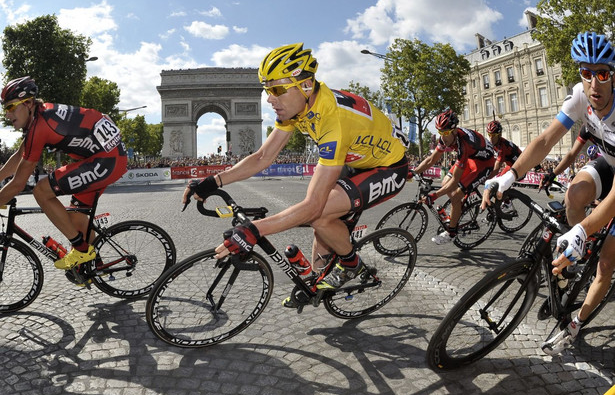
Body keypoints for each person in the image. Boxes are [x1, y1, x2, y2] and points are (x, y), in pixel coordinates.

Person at [183, 43, 409, 297]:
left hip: (388, 167)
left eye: (277, 89)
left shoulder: (333, 120)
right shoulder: (297, 106)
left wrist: (255, 230)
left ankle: (350, 264)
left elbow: (312, 206)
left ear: (305, 85)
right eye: (267, 89)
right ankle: (320, 277)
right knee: (321, 232)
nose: (269, 98)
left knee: (320, 215)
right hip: (355, 159)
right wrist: (212, 182)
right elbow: (262, 157)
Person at [482, 31, 615, 355]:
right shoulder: (579, 97)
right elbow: (545, 140)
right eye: (587, 73)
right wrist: (510, 175)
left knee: (606, 266)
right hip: (609, 162)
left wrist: (585, 229)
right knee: (573, 195)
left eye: (603, 73)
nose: (594, 84)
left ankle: (575, 325)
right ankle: (572, 260)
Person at [0, 76, 128, 274]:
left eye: (10, 108)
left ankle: (81, 250)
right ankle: (94, 266)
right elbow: (19, 156)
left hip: (107, 159)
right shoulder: (40, 115)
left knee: (41, 191)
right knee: (76, 218)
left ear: (28, 103)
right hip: (103, 157)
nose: (7, 115)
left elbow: (18, 184)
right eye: (5, 109)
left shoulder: (41, 126)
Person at [411, 109, 495, 244]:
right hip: (471, 159)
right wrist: (414, 171)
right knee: (445, 182)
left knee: (456, 195)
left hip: (485, 164)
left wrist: (434, 195)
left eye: (445, 133)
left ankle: (451, 232)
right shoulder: (446, 138)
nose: (443, 137)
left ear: (454, 130)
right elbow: (431, 159)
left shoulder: (464, 144)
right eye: (440, 132)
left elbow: (455, 180)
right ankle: (458, 210)